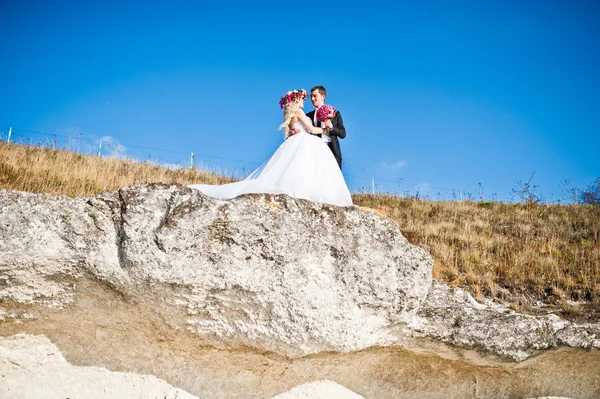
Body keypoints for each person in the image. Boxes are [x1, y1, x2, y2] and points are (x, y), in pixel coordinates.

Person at [188, 89, 353, 207]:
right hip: (305, 143)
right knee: (301, 168)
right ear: (297, 100)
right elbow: (311, 130)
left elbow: (293, 130)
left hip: (311, 145)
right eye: (305, 98)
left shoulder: (323, 113)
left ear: (323, 96)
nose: (308, 100)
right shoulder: (304, 114)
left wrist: (328, 127)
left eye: (312, 96)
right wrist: (325, 129)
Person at [305, 86, 346, 169]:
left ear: (323, 96)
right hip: (315, 150)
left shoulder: (335, 113)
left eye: (315, 96)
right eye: (311, 96)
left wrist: (331, 126)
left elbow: (343, 134)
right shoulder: (308, 116)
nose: (312, 99)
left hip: (332, 150)